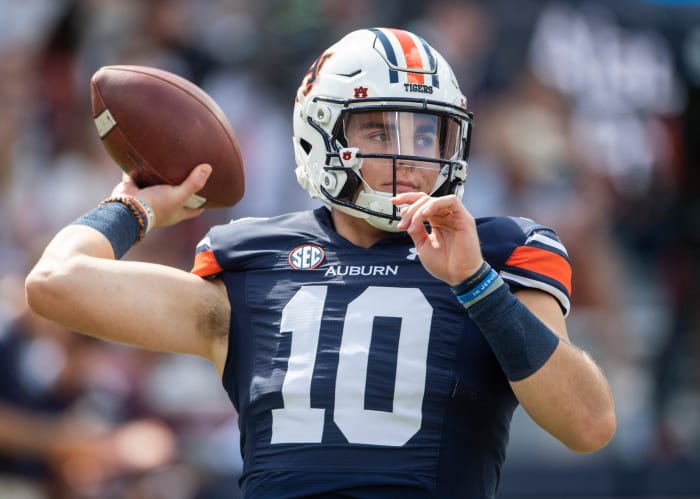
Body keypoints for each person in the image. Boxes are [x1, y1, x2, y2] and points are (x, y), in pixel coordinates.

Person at [25, 28, 616, 498]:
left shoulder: (500, 251)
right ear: (319, 133)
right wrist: (132, 206)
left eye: (426, 131)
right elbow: (55, 284)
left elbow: (588, 425)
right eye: (380, 130)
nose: (408, 155)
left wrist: (476, 283)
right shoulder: (251, 258)